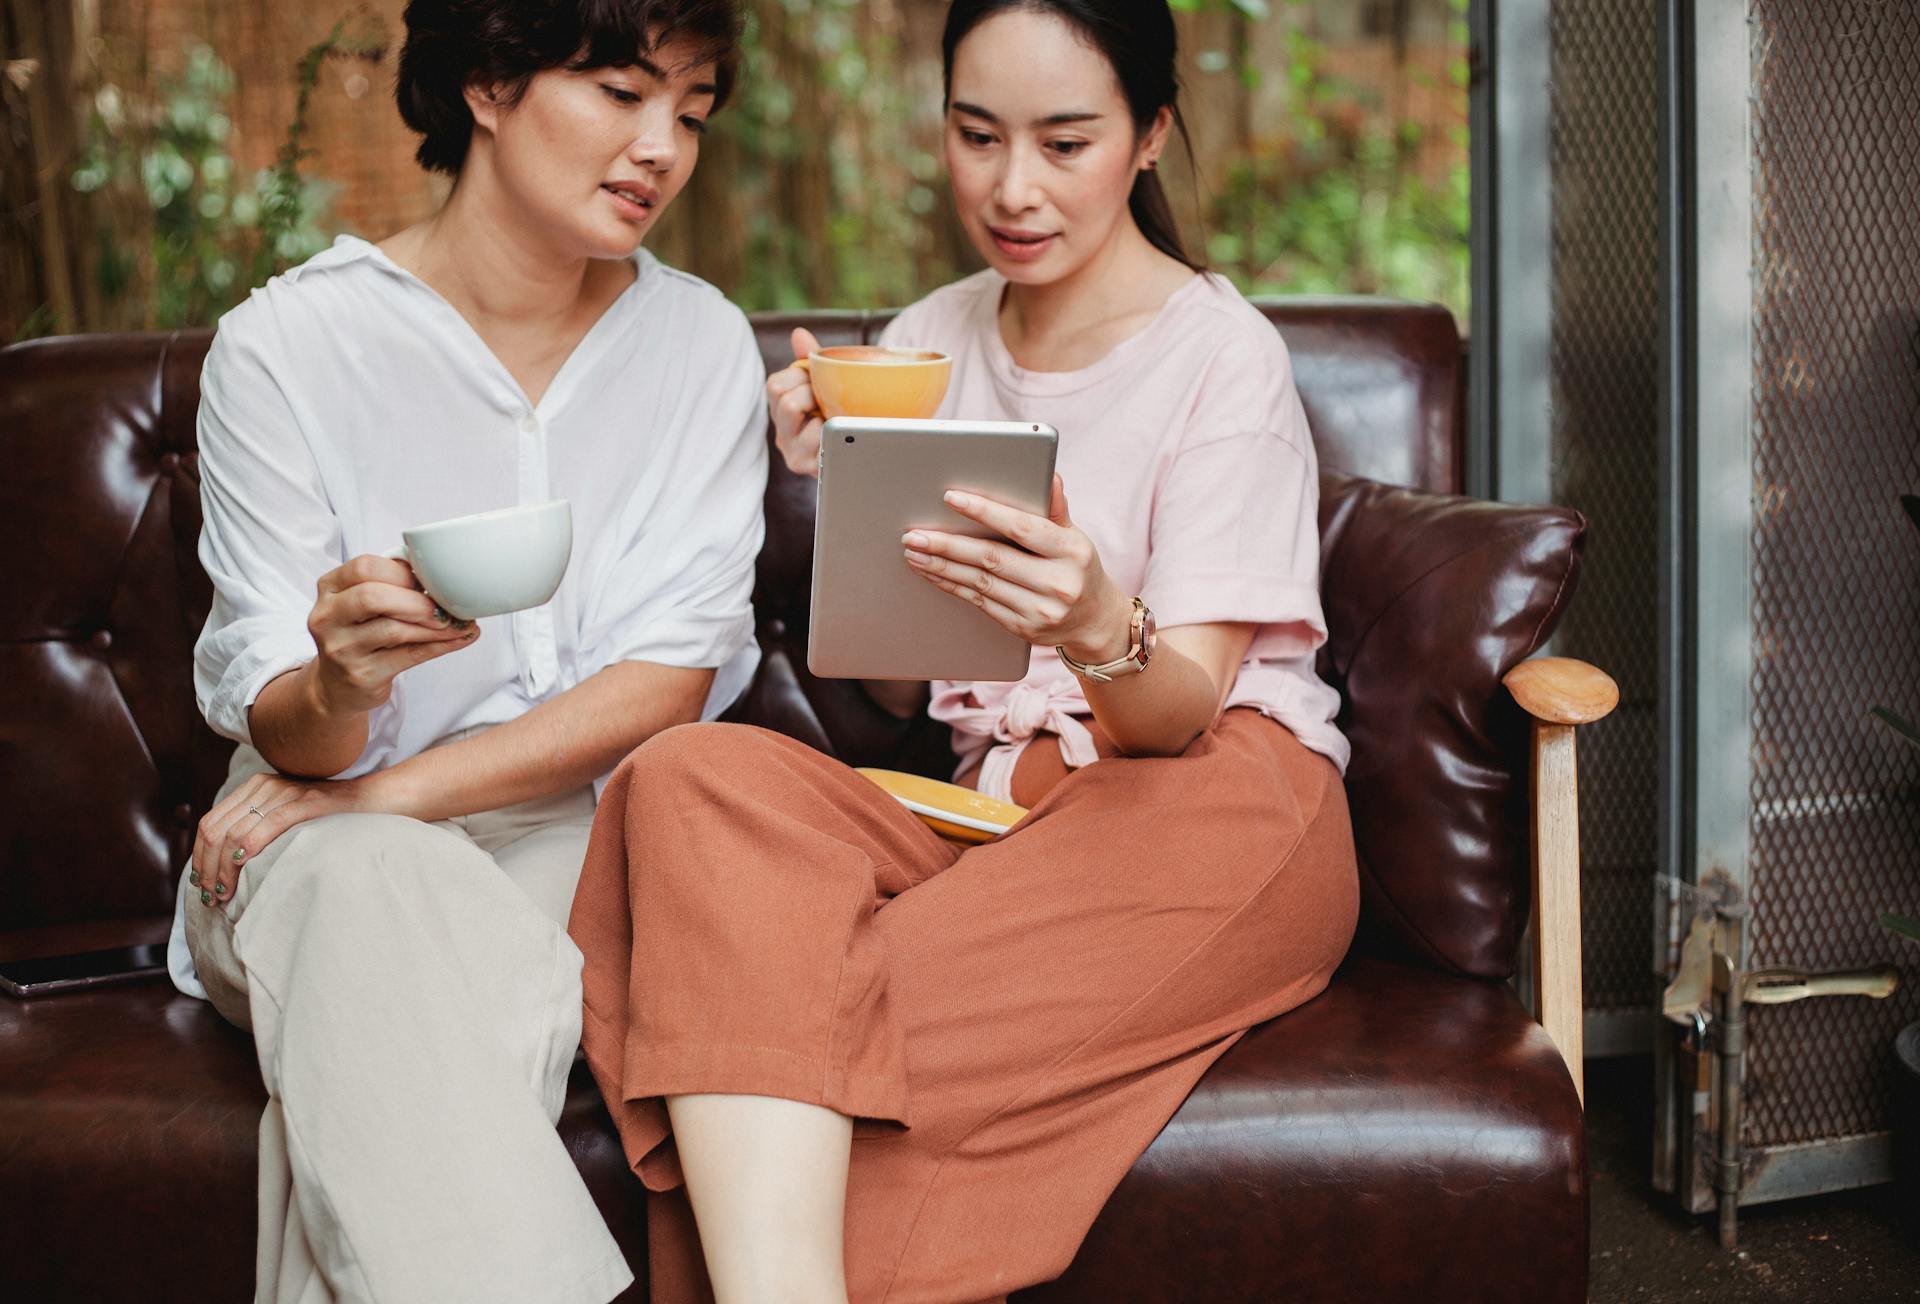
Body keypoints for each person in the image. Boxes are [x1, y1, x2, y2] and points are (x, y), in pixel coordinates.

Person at [568, 1, 1361, 1300]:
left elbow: (1171, 719)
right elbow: (896, 693)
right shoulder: (929, 341)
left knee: (791, 1036)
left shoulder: (1222, 361)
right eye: (976, 135)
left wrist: (1100, 627)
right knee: (685, 782)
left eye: (1065, 141)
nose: (1013, 188)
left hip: (1204, 800)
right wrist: (852, 506)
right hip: (977, 825)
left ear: (1151, 135)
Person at [167, 1, 762, 1300]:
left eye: (693, 112)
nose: (661, 145)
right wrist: (338, 684)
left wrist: (368, 800)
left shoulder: (700, 346)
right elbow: (279, 722)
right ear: (489, 85)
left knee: (366, 977)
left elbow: (671, 677)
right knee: (357, 890)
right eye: (621, 92)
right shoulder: (286, 350)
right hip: (295, 832)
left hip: (566, 839)